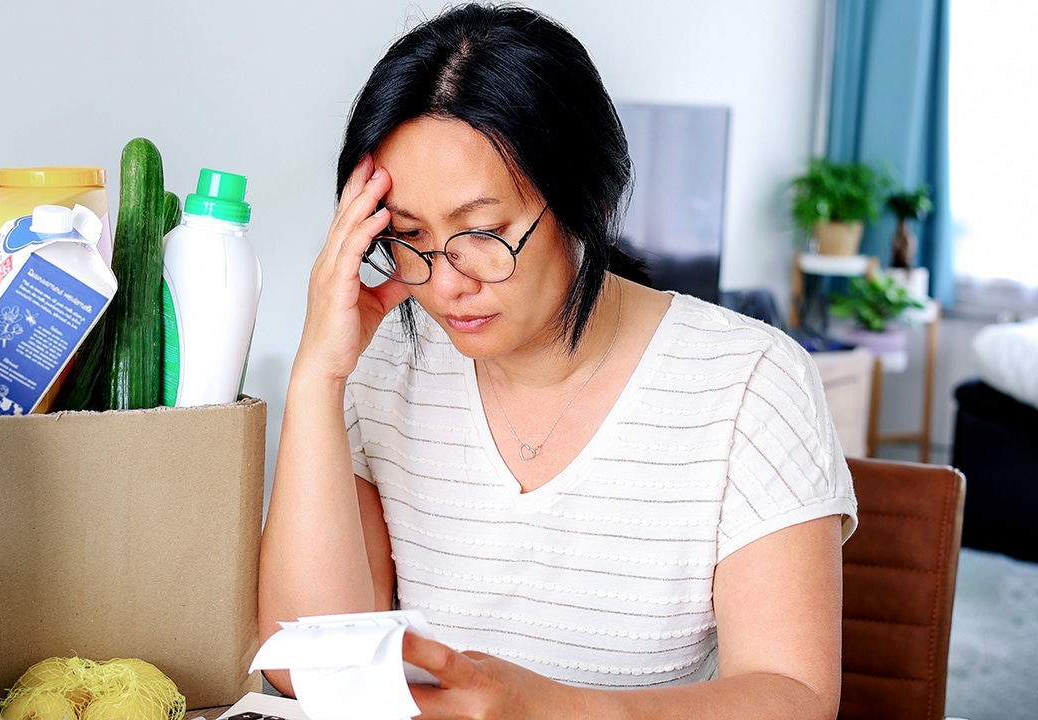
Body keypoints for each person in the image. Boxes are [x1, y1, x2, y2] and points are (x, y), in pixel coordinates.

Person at [258, 3, 858, 718]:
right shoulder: (387, 364)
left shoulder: (750, 381)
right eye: (410, 236)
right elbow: (309, 665)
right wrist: (318, 377)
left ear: (591, 202)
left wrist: (550, 709)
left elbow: (794, 697)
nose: (445, 281)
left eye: (482, 232)